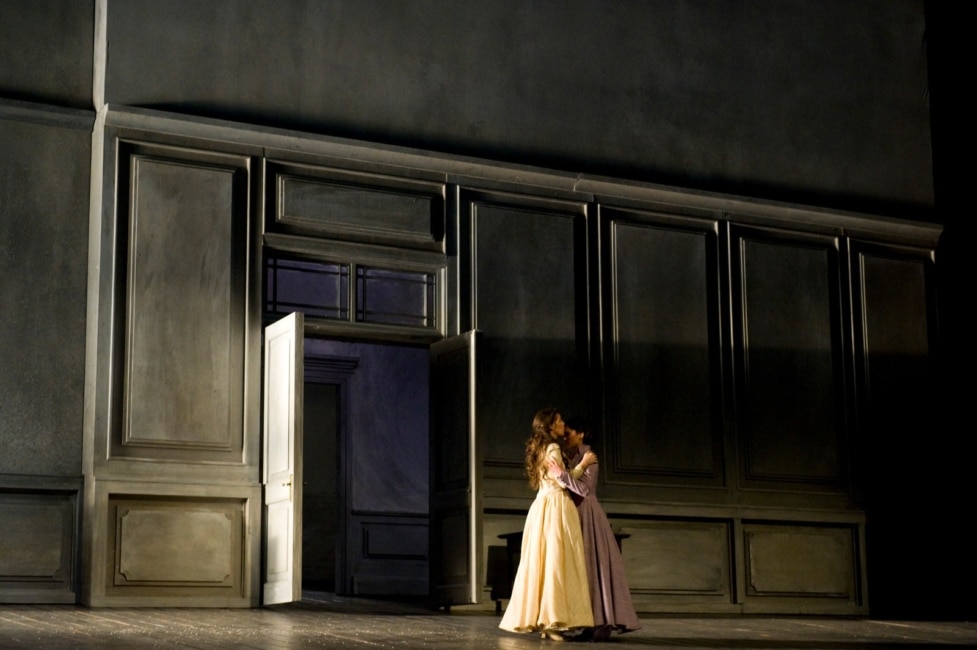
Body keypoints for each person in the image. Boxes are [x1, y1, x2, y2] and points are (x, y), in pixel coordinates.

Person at [499, 408, 597, 641]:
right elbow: (563, 481)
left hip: (543, 506)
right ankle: (551, 622)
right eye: (559, 421)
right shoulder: (552, 448)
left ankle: (547, 622)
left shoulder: (542, 448)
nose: (563, 424)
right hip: (556, 507)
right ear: (551, 426)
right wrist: (583, 464)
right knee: (556, 562)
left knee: (545, 563)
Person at [549, 416, 641, 640]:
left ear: (580, 434)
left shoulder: (589, 457)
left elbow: (584, 490)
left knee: (592, 568)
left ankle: (600, 624)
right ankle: (584, 621)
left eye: (569, 433)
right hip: (571, 514)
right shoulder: (569, 456)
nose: (565, 437)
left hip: (587, 515)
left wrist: (561, 475)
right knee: (578, 570)